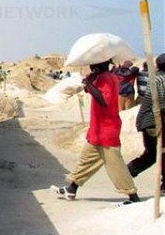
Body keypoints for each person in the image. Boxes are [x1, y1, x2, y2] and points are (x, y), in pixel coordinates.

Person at [51, 59, 140, 205]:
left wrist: (89, 84)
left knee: (115, 165)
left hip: (106, 130)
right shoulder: (105, 76)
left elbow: (104, 100)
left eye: (93, 65)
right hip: (98, 130)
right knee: (86, 160)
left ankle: (133, 196)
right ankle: (71, 188)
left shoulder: (106, 77)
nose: (91, 67)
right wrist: (90, 82)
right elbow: (91, 91)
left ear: (99, 65)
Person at [127, 53, 165, 192]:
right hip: (154, 121)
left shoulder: (155, 78)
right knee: (155, 153)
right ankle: (127, 172)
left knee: (154, 153)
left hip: (147, 120)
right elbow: (161, 103)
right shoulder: (162, 79)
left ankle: (128, 172)